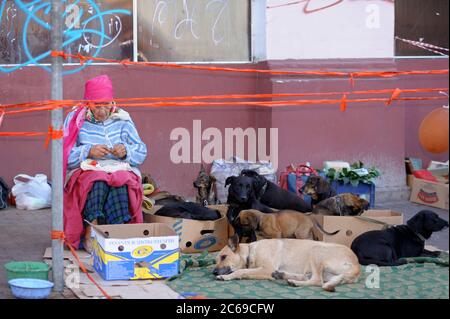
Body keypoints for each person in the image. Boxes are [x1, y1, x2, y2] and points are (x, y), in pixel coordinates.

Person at [63, 75, 147, 252]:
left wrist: (126, 151)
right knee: (98, 179)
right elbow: (64, 156)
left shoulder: (122, 119)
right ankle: (90, 233)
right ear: (87, 103)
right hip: (87, 169)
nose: (102, 111)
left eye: (106, 105)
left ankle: (118, 234)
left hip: (119, 168)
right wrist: (88, 151)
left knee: (122, 180)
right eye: (96, 106)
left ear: (112, 102)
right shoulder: (75, 119)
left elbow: (141, 151)